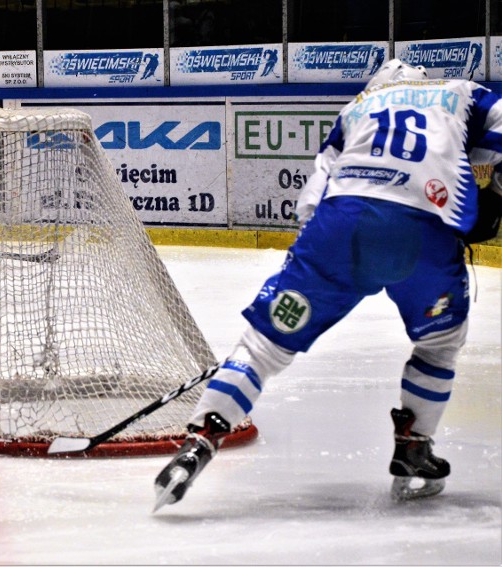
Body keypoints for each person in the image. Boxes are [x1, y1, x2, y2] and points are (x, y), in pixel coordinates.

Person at [153, 59, 502, 511]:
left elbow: (310, 202)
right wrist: (495, 196)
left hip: (339, 227)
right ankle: (414, 446)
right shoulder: (464, 93)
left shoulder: (356, 108)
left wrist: (312, 267)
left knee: (263, 345)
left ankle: (200, 440)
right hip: (422, 233)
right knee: (439, 342)